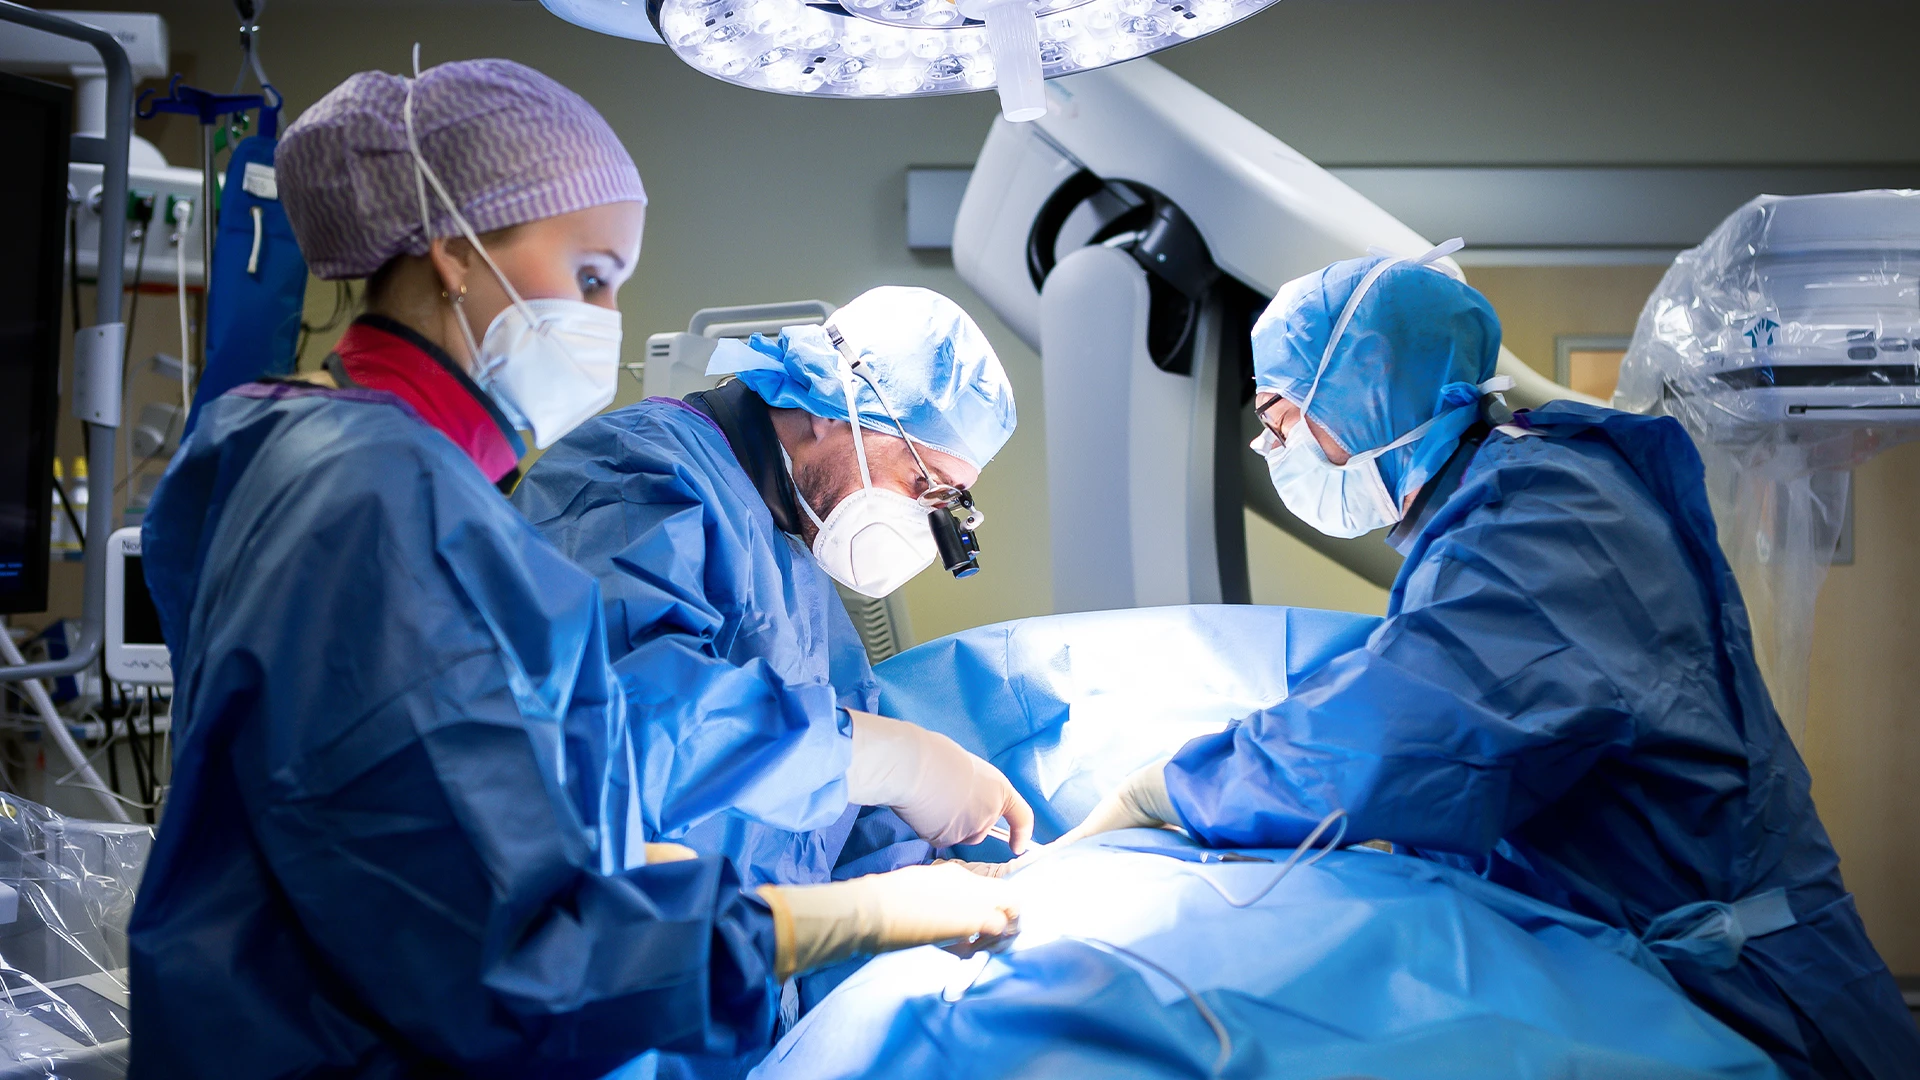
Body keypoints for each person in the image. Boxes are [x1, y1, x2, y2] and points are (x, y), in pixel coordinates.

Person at [126, 57, 1015, 1079]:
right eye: (590, 277)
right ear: (456, 252)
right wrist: (835, 918)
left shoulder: (334, 462)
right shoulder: (376, 497)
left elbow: (510, 813)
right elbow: (503, 948)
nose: (607, 318)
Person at [1053, 242, 1920, 1079]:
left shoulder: (1541, 525)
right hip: (1702, 961)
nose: (1271, 447)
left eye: (1281, 416)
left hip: (1764, 997)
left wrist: (1167, 787)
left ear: (1366, 397)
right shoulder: (1510, 500)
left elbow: (1398, 728)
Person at [512, 287, 1032, 912]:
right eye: (922, 482)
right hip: (607, 958)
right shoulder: (632, 475)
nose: (923, 519)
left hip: (732, 969)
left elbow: (825, 815)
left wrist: (922, 883)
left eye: (945, 503)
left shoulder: (791, 553)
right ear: (834, 409)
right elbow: (644, 723)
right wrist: (907, 763)